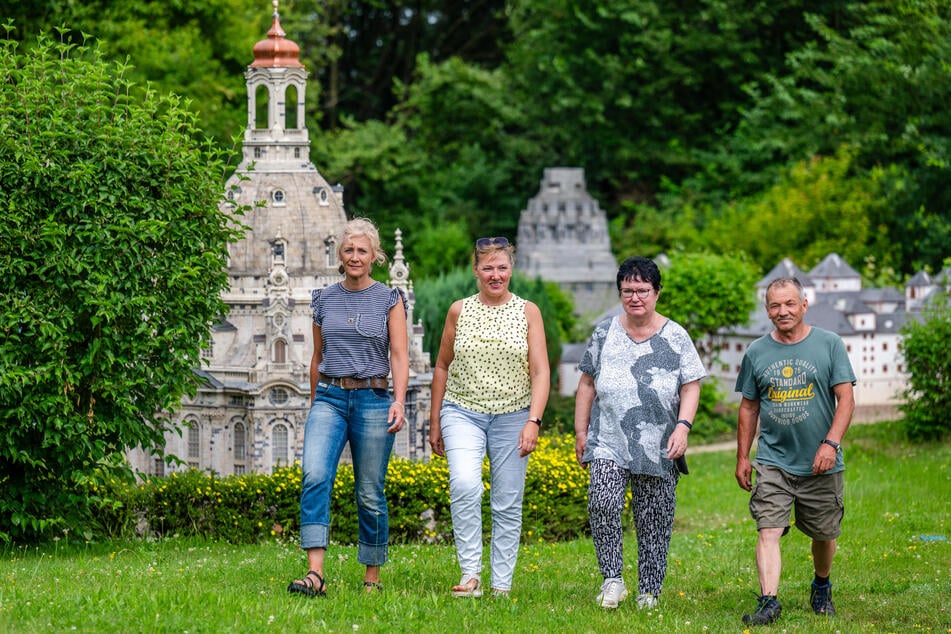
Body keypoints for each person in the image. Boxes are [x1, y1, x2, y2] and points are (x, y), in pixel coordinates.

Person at [574, 256, 705, 610]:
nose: (635, 297)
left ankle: (649, 589)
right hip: (608, 437)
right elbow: (586, 383)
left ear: (657, 293)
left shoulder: (676, 336)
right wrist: (580, 430)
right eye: (627, 291)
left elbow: (691, 385)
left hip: (659, 442)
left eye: (642, 291)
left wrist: (683, 426)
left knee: (654, 518)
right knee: (602, 502)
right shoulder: (604, 332)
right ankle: (612, 579)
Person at [288, 217, 409, 597]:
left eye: (362, 251)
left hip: (374, 399)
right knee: (314, 476)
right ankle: (315, 574)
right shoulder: (323, 298)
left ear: (374, 256)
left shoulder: (390, 299)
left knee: (370, 490)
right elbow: (317, 356)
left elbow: (400, 357)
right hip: (329, 397)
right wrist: (314, 405)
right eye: (349, 250)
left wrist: (400, 401)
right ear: (339, 255)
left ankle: (371, 577)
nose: (355, 256)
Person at [429, 236, 550, 598]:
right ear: (476, 270)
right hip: (462, 411)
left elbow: (541, 372)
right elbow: (441, 366)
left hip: (514, 414)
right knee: (465, 484)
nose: (495, 275)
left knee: (507, 500)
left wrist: (534, 421)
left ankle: (501, 584)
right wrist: (435, 421)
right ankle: (470, 576)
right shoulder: (458, 310)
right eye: (488, 268)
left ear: (511, 269)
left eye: (502, 267)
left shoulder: (528, 311)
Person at [735, 276, 856, 625]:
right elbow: (748, 407)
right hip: (773, 460)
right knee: (768, 528)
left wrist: (830, 444)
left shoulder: (829, 344)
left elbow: (846, 399)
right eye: (775, 305)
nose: (782, 311)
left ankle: (821, 584)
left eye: (790, 303)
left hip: (821, 461)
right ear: (767, 310)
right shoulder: (756, 352)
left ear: (804, 305)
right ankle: (769, 602)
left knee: (824, 533)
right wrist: (744, 456)